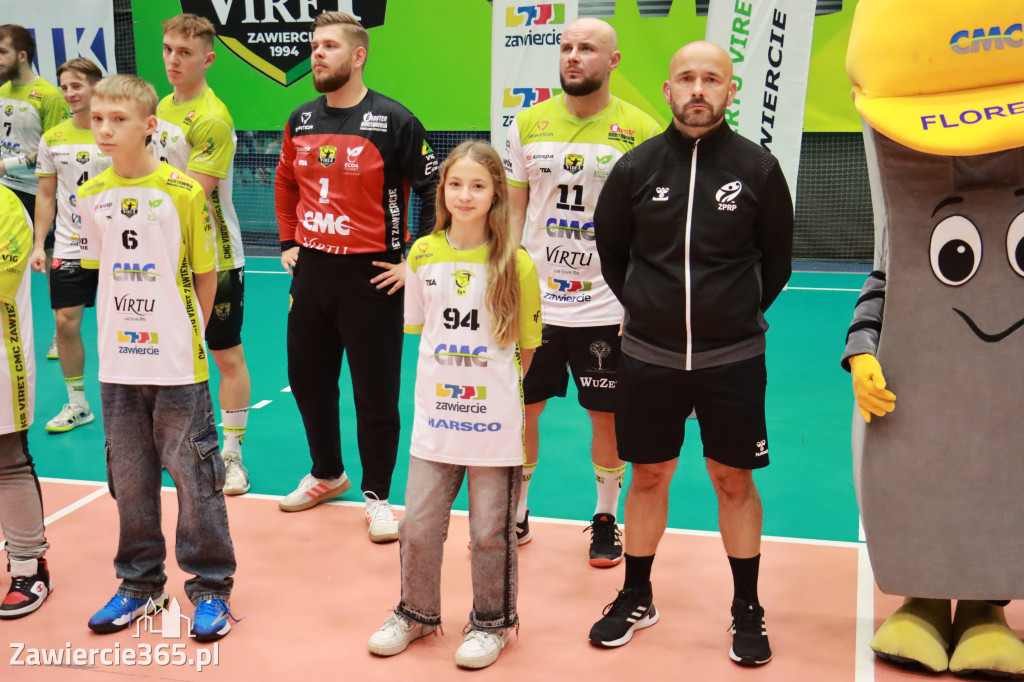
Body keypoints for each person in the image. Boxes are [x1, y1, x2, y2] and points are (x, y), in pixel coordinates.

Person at [588, 41, 793, 666]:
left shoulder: (758, 169)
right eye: (686, 78)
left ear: (731, 90)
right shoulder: (635, 169)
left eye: (711, 79)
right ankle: (636, 595)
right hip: (648, 355)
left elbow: (776, 263)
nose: (698, 89)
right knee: (648, 475)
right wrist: (650, 311)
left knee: (734, 480)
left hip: (732, 357)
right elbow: (614, 255)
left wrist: (731, 314)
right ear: (669, 88)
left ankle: (747, 608)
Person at [367, 140, 542, 669]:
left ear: (495, 195)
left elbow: (526, 351)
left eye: (478, 185)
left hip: (493, 423)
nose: (465, 195)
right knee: (417, 524)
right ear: (442, 191)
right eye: (455, 184)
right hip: (435, 419)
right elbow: (423, 332)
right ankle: (416, 613)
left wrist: (489, 397)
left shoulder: (516, 262)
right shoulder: (422, 254)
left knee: (490, 531)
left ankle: (493, 623)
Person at [78, 75, 237, 641]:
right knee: (131, 480)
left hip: (175, 364)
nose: (104, 129)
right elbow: (101, 274)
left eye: (118, 119)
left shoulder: (183, 192)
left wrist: (182, 333)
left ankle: (211, 588)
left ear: (149, 126)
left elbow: (205, 274)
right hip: (117, 365)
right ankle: (140, 586)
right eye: (98, 118)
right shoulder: (91, 195)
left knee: (197, 479)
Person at [274, 11, 439, 543]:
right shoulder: (300, 119)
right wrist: (287, 241)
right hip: (313, 273)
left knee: (375, 393)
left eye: (328, 46)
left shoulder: (395, 121)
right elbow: (284, 181)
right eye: (314, 45)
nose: (317, 54)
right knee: (308, 381)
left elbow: (435, 188)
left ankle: (377, 496)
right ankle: (327, 473)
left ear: (358, 55)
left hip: (373, 278)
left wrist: (413, 259)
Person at [503, 18, 660, 565]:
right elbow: (515, 211)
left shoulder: (641, 130)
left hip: (604, 302)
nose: (573, 57)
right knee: (524, 409)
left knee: (606, 415)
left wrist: (637, 301)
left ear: (612, 61)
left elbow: (649, 227)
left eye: (587, 49)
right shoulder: (526, 123)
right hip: (537, 301)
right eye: (566, 47)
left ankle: (604, 517)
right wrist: (508, 284)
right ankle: (516, 509)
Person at [153, 14, 252, 495]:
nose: (174, 59)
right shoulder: (159, 107)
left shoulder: (211, 117)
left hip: (215, 257)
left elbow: (191, 195)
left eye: (185, 52)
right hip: (164, 255)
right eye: (169, 49)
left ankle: (232, 455)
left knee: (224, 355)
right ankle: (178, 447)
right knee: (170, 354)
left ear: (207, 59)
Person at [29, 58, 110, 433]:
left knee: (124, 323)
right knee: (64, 322)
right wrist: (37, 244)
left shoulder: (113, 132)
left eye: (76, 85)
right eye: (64, 87)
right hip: (70, 244)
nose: (69, 93)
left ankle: (129, 401)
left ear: (96, 85)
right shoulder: (54, 137)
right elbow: (46, 195)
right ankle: (78, 403)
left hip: (116, 246)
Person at [0, 24, 71, 360]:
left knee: (48, 263)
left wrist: (8, 163)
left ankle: (61, 332)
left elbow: (55, 147)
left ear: (22, 55)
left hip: (36, 190)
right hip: (5, 192)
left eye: (2, 52)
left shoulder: (49, 95)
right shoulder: (1, 91)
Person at [0, 186, 51, 619]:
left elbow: (4, 278)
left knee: (7, 459)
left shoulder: (5, 206)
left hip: (2, 354)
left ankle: (29, 566)